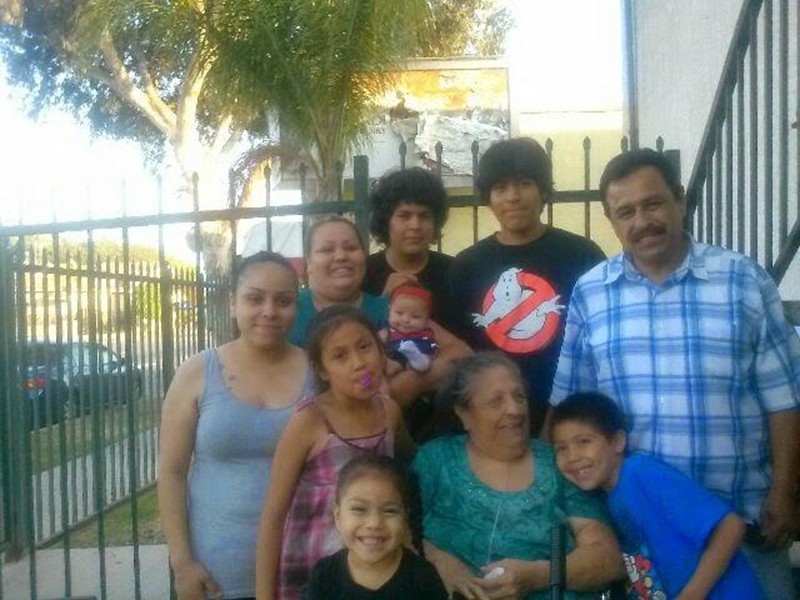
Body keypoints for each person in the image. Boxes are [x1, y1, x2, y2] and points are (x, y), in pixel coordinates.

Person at [550, 148, 800, 599]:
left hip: (746, 523)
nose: (641, 221)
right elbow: (571, 406)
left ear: (679, 199)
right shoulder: (591, 294)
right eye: (625, 212)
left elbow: (782, 397)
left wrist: (786, 489)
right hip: (645, 542)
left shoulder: (742, 281)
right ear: (611, 220)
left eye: (653, 204)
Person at [158, 251, 312, 600]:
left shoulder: (318, 372)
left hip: (301, 569)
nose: (269, 311)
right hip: (215, 577)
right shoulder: (197, 372)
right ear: (233, 304)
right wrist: (181, 563)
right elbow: (171, 473)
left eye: (283, 300)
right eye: (255, 298)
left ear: (296, 307)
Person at [412, 353, 623, 600]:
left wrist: (537, 576)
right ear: (464, 414)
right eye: (496, 401)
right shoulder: (437, 459)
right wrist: (438, 559)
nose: (514, 409)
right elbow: (399, 525)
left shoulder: (560, 462)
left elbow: (608, 560)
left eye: (519, 396)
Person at [444, 138, 605, 435]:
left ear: (543, 190)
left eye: (524, 183)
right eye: (500, 188)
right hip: (492, 423)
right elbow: (459, 353)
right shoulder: (467, 265)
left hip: (570, 418)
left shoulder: (582, 255)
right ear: (488, 197)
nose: (513, 197)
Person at [255, 306, 415, 600]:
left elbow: (413, 466)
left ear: (381, 351)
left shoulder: (389, 412)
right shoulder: (309, 421)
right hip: (313, 572)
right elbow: (273, 515)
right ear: (321, 370)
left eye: (365, 347)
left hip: (377, 570)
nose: (359, 363)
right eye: (340, 356)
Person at [550, 392, 765, 600]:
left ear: (617, 441)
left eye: (584, 442)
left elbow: (730, 527)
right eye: (561, 448)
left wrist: (690, 596)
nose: (573, 457)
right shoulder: (605, 499)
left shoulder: (641, 473)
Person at [290, 215, 470, 411]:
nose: (341, 256)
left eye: (351, 248)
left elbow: (461, 354)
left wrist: (413, 381)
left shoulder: (393, 311)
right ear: (308, 263)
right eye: (327, 249)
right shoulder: (288, 311)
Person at [306, 455, 448, 600]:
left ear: (405, 518)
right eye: (359, 509)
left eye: (389, 511)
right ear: (338, 516)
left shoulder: (423, 577)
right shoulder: (324, 575)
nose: (374, 523)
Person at [363, 167, 452, 323]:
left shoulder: (453, 272)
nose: (415, 225)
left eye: (424, 216)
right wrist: (383, 301)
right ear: (385, 222)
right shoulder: (364, 275)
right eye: (404, 216)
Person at [383, 283, 438, 375]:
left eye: (415, 317)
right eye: (399, 313)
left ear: (427, 320)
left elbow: (433, 351)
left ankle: (417, 360)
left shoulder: (424, 336)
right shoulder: (385, 327)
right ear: (390, 309)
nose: (406, 320)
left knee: (425, 355)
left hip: (411, 359)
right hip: (386, 356)